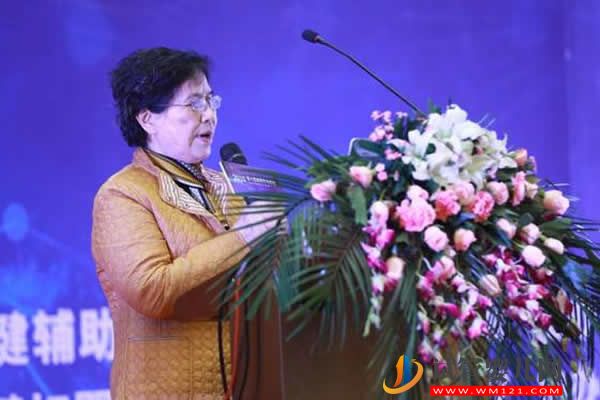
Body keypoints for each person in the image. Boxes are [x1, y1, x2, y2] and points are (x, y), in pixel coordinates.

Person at [91, 47, 273, 399]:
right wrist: (245, 236)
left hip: (246, 386)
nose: (209, 115)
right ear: (148, 119)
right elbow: (153, 291)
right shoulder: (122, 194)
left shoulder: (229, 186)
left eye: (211, 100)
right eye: (194, 104)